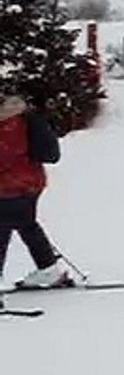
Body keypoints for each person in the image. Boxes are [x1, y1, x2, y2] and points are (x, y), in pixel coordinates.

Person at [0, 94, 71, 292]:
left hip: (12, 187)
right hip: (29, 184)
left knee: (3, 228)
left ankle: (49, 269)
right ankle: (49, 269)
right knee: (26, 224)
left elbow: (5, 156)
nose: (13, 107)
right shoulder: (22, 122)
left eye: (16, 103)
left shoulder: (13, 126)